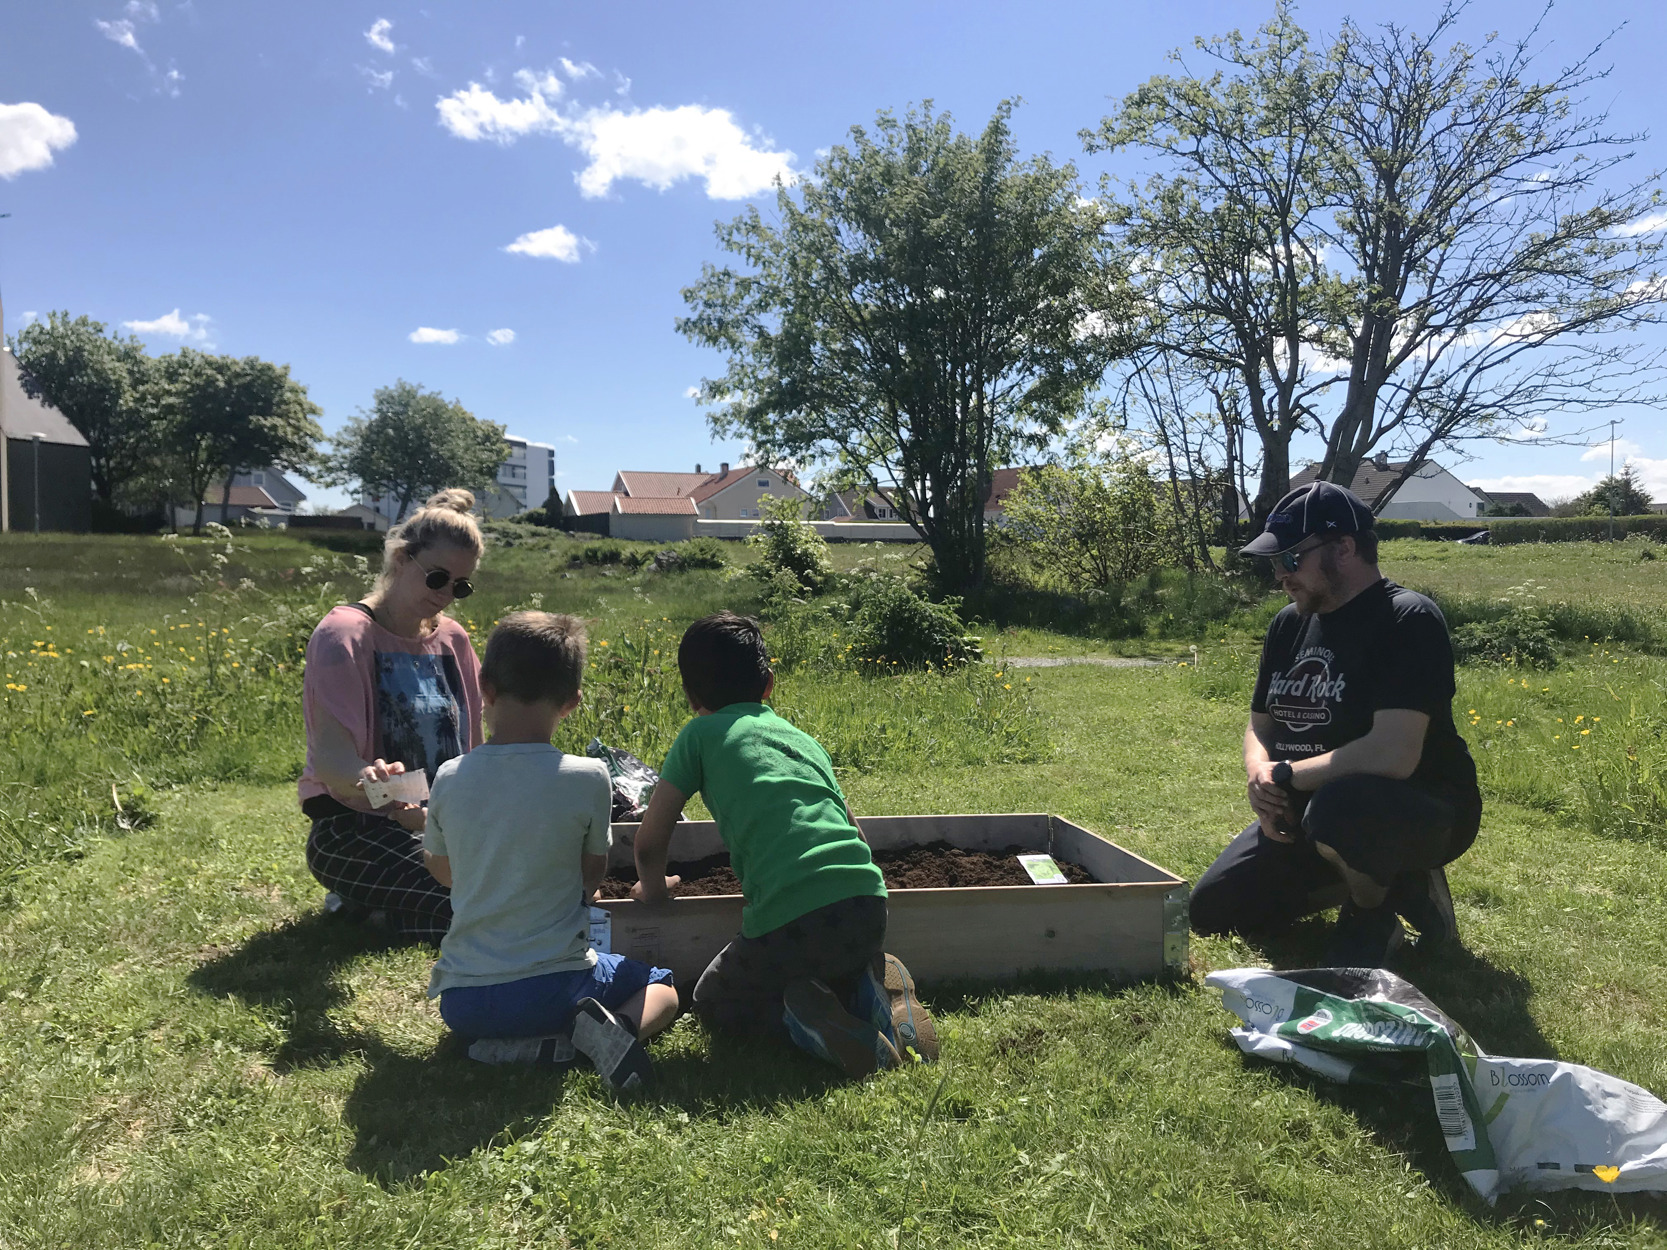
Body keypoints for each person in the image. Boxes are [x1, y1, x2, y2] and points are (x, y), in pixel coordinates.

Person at [1189, 481, 1483, 966]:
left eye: (1290, 559)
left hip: (1421, 807)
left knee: (1341, 806)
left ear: (1344, 548)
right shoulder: (1289, 623)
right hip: (1310, 810)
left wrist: (1286, 775)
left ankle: (1376, 910)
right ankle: (1373, 877)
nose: (1280, 575)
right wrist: (1260, 775)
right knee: (1213, 911)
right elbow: (1260, 723)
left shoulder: (1407, 620)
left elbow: (1392, 753)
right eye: (1273, 563)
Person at [631, 611, 937, 1078]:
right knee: (826, 961)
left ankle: (810, 1025)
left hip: (789, 921)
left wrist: (652, 891)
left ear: (691, 695)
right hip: (868, 907)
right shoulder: (804, 741)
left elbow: (650, 843)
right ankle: (876, 993)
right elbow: (854, 832)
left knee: (713, 1001)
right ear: (769, 684)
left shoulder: (698, 736)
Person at [423, 611, 678, 1089]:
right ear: (573, 702)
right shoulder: (588, 777)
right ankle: (611, 1033)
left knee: (493, 1016)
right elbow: (590, 873)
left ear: (486, 688)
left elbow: (441, 869)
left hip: (465, 1003)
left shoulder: (450, 775)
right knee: (660, 984)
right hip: (556, 991)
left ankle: (521, 1049)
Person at [297, 488, 485, 942]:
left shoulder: (454, 639)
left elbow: (476, 748)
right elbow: (334, 765)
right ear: (401, 559)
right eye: (437, 578)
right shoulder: (344, 635)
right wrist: (381, 788)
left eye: (460, 587)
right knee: (474, 906)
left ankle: (382, 910)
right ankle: (380, 903)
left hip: (440, 825)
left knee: (510, 887)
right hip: (355, 828)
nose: (446, 596)